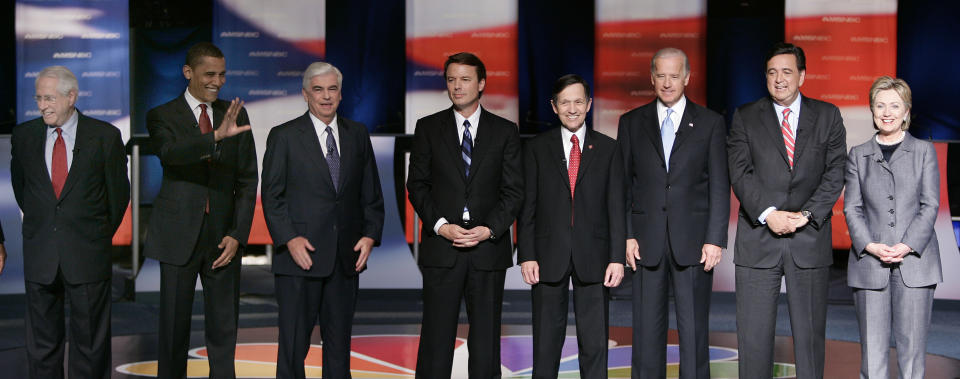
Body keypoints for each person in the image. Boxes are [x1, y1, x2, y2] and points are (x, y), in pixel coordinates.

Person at [727, 42, 846, 378]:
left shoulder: (828, 116)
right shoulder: (745, 117)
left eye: (787, 72)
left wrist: (806, 215)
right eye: (772, 72)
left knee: (809, 342)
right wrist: (768, 213)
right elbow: (739, 172)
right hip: (758, 241)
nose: (779, 79)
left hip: (808, 240)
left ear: (802, 76)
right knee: (753, 341)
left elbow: (835, 172)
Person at [262, 61, 385, 379]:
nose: (326, 96)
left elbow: (371, 194)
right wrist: (289, 238)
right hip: (298, 258)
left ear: (341, 95)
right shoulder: (284, 136)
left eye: (332, 89)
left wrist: (370, 235)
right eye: (318, 89)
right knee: (292, 346)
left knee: (339, 347)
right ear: (305, 94)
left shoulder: (357, 134)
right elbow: (272, 197)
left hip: (345, 260)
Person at [143, 42, 258, 379]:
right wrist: (215, 138)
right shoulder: (162, 115)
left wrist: (237, 234)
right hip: (178, 236)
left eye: (222, 74)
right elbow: (170, 154)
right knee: (173, 330)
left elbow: (248, 180)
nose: (217, 81)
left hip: (222, 238)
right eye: (210, 74)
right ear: (188, 72)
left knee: (224, 330)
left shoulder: (235, 113)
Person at [407, 52, 523, 378]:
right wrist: (441, 226)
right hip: (442, 249)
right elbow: (417, 185)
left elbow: (513, 191)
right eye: (451, 79)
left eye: (465, 79)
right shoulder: (428, 128)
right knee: (435, 339)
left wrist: (490, 229)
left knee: (486, 344)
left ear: (481, 83)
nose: (457, 86)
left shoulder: (504, 131)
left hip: (488, 250)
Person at [9, 65, 130, 378]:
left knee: (90, 345)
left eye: (49, 98)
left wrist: (94, 236)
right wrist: (46, 226)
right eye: (38, 98)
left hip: (87, 254)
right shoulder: (24, 137)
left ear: (71, 96)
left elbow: (117, 197)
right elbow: (24, 190)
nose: (42, 105)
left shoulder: (104, 136)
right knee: (42, 346)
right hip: (41, 254)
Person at [617, 47, 728, 379]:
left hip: (693, 243)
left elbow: (720, 186)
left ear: (687, 78)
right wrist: (626, 234)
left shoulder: (710, 123)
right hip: (645, 242)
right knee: (646, 333)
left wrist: (715, 239)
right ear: (652, 78)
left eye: (674, 75)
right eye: (661, 75)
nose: (667, 83)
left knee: (694, 332)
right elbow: (622, 185)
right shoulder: (631, 123)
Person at [518, 74, 624, 378]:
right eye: (565, 102)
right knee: (546, 343)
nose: (572, 108)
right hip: (548, 256)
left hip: (595, 257)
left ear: (589, 104)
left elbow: (616, 208)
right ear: (553, 106)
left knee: (594, 344)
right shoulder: (537, 148)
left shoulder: (608, 149)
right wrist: (526, 254)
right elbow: (528, 206)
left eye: (579, 101)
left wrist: (617, 257)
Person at [844, 76, 941, 379]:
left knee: (912, 353)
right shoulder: (858, 155)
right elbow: (852, 207)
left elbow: (930, 205)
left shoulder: (924, 152)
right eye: (880, 105)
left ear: (906, 110)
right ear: (872, 110)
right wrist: (870, 245)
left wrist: (907, 244)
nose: (887, 112)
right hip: (870, 263)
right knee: (872, 354)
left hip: (915, 263)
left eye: (894, 105)